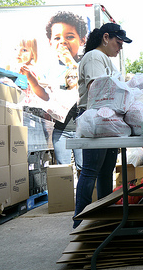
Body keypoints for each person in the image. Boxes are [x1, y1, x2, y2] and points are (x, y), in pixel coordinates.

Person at [73, 22, 132, 228]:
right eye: (118, 42)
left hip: (106, 118)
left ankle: (105, 219)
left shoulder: (106, 60)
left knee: (106, 171)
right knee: (91, 170)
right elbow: (97, 89)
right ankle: (80, 222)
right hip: (95, 118)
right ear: (105, 37)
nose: (121, 47)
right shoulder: (94, 57)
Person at [45, 11, 87, 173]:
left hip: (81, 131)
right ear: (50, 42)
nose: (62, 42)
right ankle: (66, 199)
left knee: (83, 169)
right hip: (61, 130)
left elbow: (83, 84)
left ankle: (85, 199)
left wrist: (70, 61)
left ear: (82, 40)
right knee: (63, 171)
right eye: (57, 38)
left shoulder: (84, 63)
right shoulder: (51, 70)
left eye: (69, 37)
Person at [9, 38, 49, 104]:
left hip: (29, 107)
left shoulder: (33, 70)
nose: (18, 53)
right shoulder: (12, 68)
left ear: (33, 54)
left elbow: (45, 96)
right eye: (15, 49)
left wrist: (30, 77)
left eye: (24, 50)